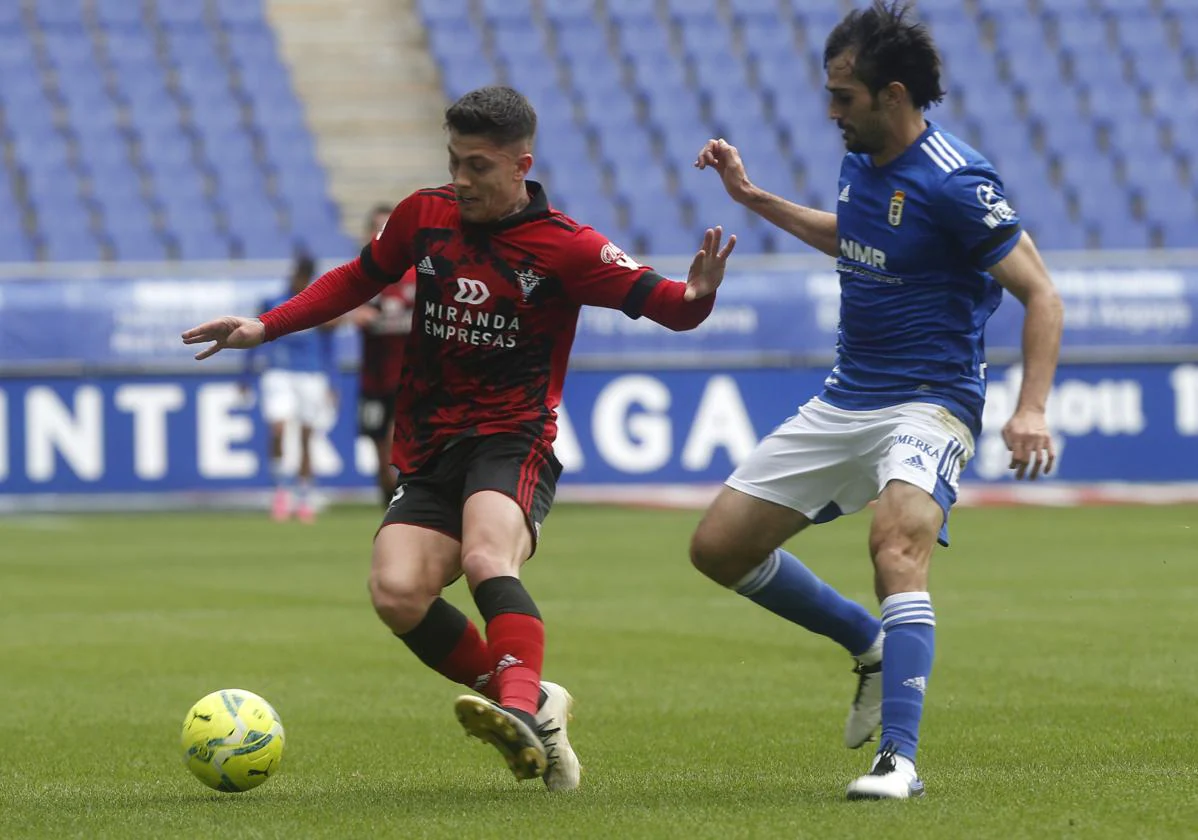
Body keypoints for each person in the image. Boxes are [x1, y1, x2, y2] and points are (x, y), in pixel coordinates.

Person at [183, 85, 737, 791]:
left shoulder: (568, 247)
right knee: (395, 591)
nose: (463, 180)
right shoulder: (424, 216)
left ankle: (516, 711)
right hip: (431, 442)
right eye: (455, 162)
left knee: (485, 554)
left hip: (514, 437)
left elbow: (670, 308)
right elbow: (360, 276)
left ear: (519, 166)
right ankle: (532, 699)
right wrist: (267, 325)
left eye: (478, 166)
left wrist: (699, 294)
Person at [690, 1, 1062, 800]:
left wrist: (1029, 409)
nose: (831, 111)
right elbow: (855, 233)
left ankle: (898, 761)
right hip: (847, 395)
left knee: (895, 546)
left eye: (844, 96)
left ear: (893, 94)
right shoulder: (860, 159)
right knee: (718, 549)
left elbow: (1042, 295)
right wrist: (755, 200)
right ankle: (869, 642)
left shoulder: (959, 182)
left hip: (931, 402)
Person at [240, 253, 338, 524]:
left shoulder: (320, 303)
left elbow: (329, 347)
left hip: (311, 375)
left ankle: (305, 494)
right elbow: (253, 336)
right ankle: (281, 491)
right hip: (279, 373)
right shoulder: (273, 301)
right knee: (279, 429)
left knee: (307, 435)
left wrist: (333, 381)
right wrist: (245, 377)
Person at [351, 204, 418, 508]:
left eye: (388, 228)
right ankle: (388, 508)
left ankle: (406, 510)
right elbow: (333, 312)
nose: (383, 235)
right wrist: (354, 314)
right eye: (377, 228)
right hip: (374, 378)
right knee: (380, 456)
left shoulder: (418, 275)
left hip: (411, 380)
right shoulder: (362, 275)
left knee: (396, 450)